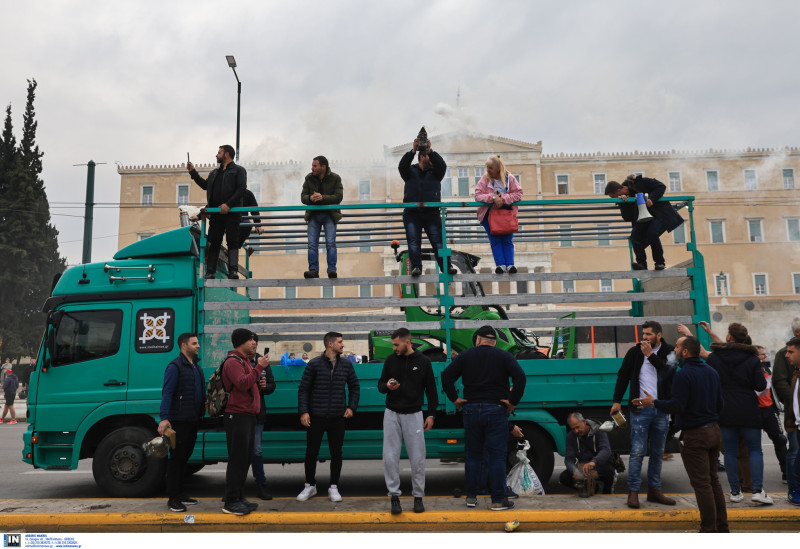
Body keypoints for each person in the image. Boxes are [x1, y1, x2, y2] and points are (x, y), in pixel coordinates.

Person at [639, 335, 728, 533]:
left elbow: (677, 406)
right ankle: (721, 528)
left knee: (702, 484)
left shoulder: (683, 374)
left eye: (678, 347)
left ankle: (708, 530)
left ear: (686, 352)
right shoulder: (711, 371)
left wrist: (653, 402)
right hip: (714, 431)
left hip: (695, 435)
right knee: (713, 481)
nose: (675, 351)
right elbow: (720, 403)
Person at [441, 325, 526, 511]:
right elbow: (520, 378)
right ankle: (497, 500)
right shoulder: (504, 356)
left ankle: (471, 497)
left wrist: (455, 399)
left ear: (478, 339)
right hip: (496, 410)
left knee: (473, 455)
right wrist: (512, 402)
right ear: (494, 342)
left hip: (471, 410)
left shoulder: (465, 356)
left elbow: (446, 376)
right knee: (496, 457)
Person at [610, 320, 677, 508]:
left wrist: (651, 356)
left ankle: (655, 491)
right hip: (640, 410)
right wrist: (617, 400)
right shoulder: (634, 352)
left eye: (649, 334)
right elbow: (623, 376)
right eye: (644, 334)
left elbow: (670, 373)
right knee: (637, 452)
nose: (645, 338)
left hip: (661, 409)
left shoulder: (669, 351)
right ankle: (633, 492)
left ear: (658, 335)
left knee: (657, 453)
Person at [705, 323, 773, 505]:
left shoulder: (715, 358)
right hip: (748, 409)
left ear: (729, 337)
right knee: (755, 450)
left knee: (730, 451)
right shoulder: (752, 359)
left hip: (725, 409)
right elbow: (760, 386)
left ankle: (735, 492)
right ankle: (758, 491)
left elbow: (709, 380)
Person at [378, 327, 438, 514]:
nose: (394, 348)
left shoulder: (423, 361)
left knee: (418, 457)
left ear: (407, 342)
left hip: (414, 414)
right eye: (393, 344)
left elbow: (432, 391)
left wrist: (431, 414)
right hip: (392, 414)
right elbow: (381, 385)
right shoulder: (390, 360)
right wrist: (387, 386)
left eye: (396, 344)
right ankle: (394, 497)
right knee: (390, 457)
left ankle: (418, 497)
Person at [297, 331, 360, 502]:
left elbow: (355, 387)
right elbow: (303, 389)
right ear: (330, 344)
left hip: (337, 417)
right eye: (340, 342)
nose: (343, 344)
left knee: (336, 453)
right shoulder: (314, 364)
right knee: (311, 453)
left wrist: (351, 407)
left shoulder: (346, 364)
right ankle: (309, 485)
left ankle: (334, 487)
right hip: (316, 416)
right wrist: (304, 411)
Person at [221, 328, 269, 516]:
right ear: (241, 342)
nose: (254, 343)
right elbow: (241, 383)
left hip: (248, 416)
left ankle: (239, 497)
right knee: (237, 460)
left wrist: (257, 382)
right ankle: (230, 501)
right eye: (251, 340)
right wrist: (259, 368)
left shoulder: (245, 362)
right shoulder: (233, 362)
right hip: (237, 415)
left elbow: (246, 384)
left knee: (245, 460)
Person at [158, 333, 205, 513]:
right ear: (183, 346)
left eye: (197, 343)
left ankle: (179, 492)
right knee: (176, 460)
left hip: (193, 419)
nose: (198, 346)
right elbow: (167, 393)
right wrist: (164, 418)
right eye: (194, 343)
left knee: (185, 458)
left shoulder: (195, 367)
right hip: (179, 420)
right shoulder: (175, 366)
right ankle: (172, 498)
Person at [398, 137, 457, 277]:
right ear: (422, 157)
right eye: (427, 155)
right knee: (413, 242)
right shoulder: (409, 171)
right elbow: (401, 166)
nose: (430, 159)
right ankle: (416, 267)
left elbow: (442, 165)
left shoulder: (436, 172)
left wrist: (431, 150)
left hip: (431, 213)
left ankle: (446, 267)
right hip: (412, 212)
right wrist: (413, 150)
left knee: (438, 242)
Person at [187, 145, 247, 279]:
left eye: (219, 152)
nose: (216, 155)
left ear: (227, 154)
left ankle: (233, 270)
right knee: (214, 241)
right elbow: (205, 185)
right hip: (216, 213)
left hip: (232, 212)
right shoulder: (214, 173)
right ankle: (210, 271)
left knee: (232, 241)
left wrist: (228, 205)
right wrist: (193, 172)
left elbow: (241, 189)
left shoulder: (239, 170)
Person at [604, 174, 684, 271]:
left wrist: (652, 199)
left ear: (618, 191)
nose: (615, 199)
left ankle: (659, 263)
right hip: (644, 218)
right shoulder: (623, 197)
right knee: (634, 237)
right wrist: (624, 203)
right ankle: (642, 265)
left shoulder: (641, 182)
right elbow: (627, 217)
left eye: (614, 197)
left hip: (659, 214)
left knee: (652, 233)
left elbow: (661, 186)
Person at [474, 155, 523, 274]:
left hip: (506, 214)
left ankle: (510, 265)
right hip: (489, 215)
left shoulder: (509, 178)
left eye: (490, 168)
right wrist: (493, 197)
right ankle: (500, 265)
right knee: (495, 240)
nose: (488, 170)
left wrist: (501, 198)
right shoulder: (485, 179)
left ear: (498, 168)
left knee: (507, 239)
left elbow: (518, 193)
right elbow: (477, 195)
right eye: (487, 167)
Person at [301, 156, 343, 279]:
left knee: (330, 243)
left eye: (315, 166)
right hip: (314, 215)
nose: (312, 168)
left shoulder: (335, 178)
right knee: (312, 244)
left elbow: (338, 197)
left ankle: (331, 269)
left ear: (323, 167)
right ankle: (313, 270)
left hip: (329, 214)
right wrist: (310, 198)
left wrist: (322, 198)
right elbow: (303, 197)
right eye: (312, 165)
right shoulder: (308, 178)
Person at [773, 316, 800, 497]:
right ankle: (793, 487)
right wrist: (791, 401)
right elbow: (779, 381)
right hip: (794, 415)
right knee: (795, 452)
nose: (788, 355)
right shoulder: (785, 354)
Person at [559, 412, 616, 495]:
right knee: (564, 477)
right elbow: (569, 458)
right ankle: (592, 488)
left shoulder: (599, 430)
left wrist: (594, 462)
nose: (576, 431)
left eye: (578, 427)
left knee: (609, 471)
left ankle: (608, 491)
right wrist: (574, 470)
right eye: (573, 429)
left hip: (598, 463)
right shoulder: (571, 436)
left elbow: (606, 450)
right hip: (583, 465)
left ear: (584, 422)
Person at [754, 345, 788, 483]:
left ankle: (786, 473)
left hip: (769, 410)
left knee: (780, 440)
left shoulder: (766, 368)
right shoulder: (750, 370)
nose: (766, 356)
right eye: (763, 354)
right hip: (754, 411)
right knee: (752, 446)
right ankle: (753, 479)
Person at [249, 349, 276, 500]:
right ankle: (233, 489)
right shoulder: (236, 360)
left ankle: (261, 486)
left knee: (257, 450)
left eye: (255, 342)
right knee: (238, 453)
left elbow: (272, 385)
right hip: (240, 414)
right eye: (250, 341)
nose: (253, 345)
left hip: (257, 413)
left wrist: (264, 387)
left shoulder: (262, 361)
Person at [782, 337, 800, 505]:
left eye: (791, 352)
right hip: (796, 427)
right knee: (795, 462)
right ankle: (794, 491)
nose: (787, 355)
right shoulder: (796, 373)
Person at [238, 188, 265, 256]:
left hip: (242, 220)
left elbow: (255, 210)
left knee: (247, 225)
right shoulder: (226, 191)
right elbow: (215, 200)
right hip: (228, 220)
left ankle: (233, 248)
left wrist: (258, 225)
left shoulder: (247, 193)